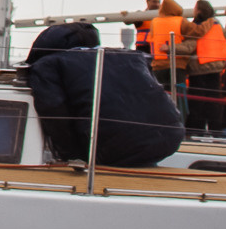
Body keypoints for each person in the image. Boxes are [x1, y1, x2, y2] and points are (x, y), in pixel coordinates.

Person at [21, 21, 184, 168]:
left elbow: (54, 110)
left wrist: (73, 157)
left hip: (111, 149)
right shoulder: (132, 57)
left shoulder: (48, 65)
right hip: (169, 139)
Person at [186, 0, 226, 133]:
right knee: (213, 101)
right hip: (216, 67)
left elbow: (190, 44)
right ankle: (215, 131)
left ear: (198, 11)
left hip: (198, 68)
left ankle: (195, 131)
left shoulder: (195, 26)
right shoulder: (217, 24)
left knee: (197, 104)